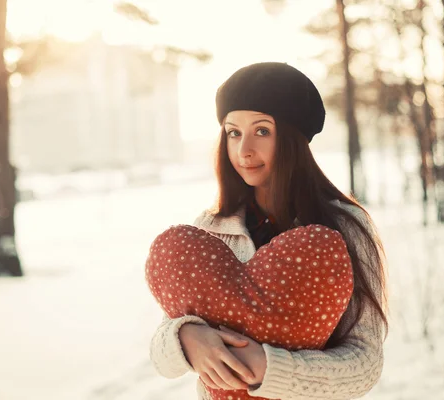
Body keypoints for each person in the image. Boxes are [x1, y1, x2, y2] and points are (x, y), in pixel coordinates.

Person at [149, 62, 388, 400]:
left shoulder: (346, 226)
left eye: (262, 131)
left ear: (293, 138)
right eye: (234, 132)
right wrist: (186, 337)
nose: (244, 149)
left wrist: (267, 368)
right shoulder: (211, 229)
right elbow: (161, 356)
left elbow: (366, 363)